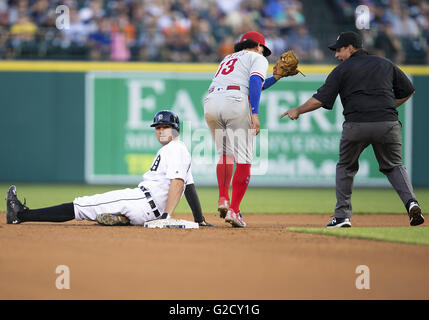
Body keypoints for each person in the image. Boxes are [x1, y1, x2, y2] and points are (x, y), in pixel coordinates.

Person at [280, 31, 424, 228]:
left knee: (346, 167)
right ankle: (412, 203)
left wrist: (297, 110)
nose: (336, 55)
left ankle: (342, 217)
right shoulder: (385, 63)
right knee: (394, 166)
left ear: (350, 47)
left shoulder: (342, 70)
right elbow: (408, 90)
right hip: (387, 123)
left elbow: (320, 99)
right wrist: (387, 107)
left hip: (356, 125)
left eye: (339, 50)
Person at [6, 110, 212, 227]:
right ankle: (121, 219)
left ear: (175, 129)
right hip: (146, 206)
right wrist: (199, 219)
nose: (160, 131)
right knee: (99, 204)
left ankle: (21, 215)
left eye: (164, 127)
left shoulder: (175, 148)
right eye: (157, 128)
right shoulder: (179, 150)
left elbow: (179, 183)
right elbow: (190, 188)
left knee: (83, 205)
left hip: (142, 203)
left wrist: (167, 217)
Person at [204, 31, 284, 227]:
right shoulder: (256, 57)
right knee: (244, 158)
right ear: (258, 46)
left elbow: (255, 83)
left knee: (225, 154)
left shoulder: (228, 58)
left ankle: (223, 198)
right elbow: (255, 82)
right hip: (236, 102)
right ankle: (235, 210)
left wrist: (276, 77)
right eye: (263, 49)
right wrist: (254, 113)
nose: (263, 53)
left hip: (211, 102)